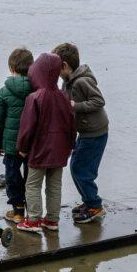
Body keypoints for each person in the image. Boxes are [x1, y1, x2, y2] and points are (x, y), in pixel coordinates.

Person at [15, 52, 75, 233]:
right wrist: (71, 145)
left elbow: (27, 128)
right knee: (55, 185)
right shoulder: (64, 96)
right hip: (59, 149)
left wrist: (22, 148)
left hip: (39, 150)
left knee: (32, 184)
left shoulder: (34, 98)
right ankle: (52, 220)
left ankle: (33, 220)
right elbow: (72, 124)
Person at [53, 42, 109, 224]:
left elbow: (99, 100)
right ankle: (88, 201)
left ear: (64, 66)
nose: (55, 73)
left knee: (81, 170)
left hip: (95, 132)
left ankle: (95, 205)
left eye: (56, 68)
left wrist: (75, 106)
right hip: (85, 132)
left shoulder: (83, 81)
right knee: (77, 167)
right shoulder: (66, 82)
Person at [0, 47, 34, 223]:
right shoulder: (37, 89)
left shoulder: (5, 91)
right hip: (32, 143)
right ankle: (34, 211)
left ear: (11, 68)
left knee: (12, 175)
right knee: (32, 176)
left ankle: (17, 211)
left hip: (11, 144)